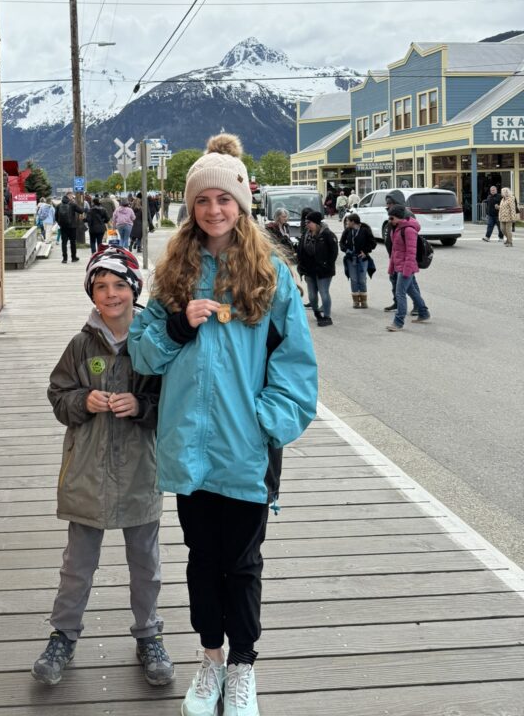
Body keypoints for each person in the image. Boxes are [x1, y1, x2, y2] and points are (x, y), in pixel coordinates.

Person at [128, 134, 318, 716]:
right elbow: (142, 355)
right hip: (189, 450)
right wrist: (178, 326)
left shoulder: (271, 276)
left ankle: (242, 667)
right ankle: (210, 661)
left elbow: (296, 367)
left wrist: (266, 423)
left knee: (242, 562)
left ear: (243, 205)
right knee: (201, 558)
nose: (214, 209)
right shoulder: (173, 276)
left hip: (244, 451)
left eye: (225, 199)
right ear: (191, 207)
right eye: (203, 199)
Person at [31, 248, 175, 689]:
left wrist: (141, 405)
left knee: (144, 562)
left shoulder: (152, 343)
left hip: (139, 470)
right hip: (86, 472)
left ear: (135, 288)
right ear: (91, 293)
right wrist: (82, 401)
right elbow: (58, 395)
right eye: (100, 286)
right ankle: (63, 634)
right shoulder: (80, 345)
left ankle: (149, 633)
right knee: (78, 562)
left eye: (118, 285)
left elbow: (173, 403)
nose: (110, 294)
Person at [386, 205, 430, 331]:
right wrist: (391, 267)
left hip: (407, 267)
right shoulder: (395, 229)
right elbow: (395, 251)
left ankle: (398, 322)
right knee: (412, 292)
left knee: (400, 293)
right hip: (399, 266)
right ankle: (424, 313)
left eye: (391, 218)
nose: (389, 220)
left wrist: (406, 270)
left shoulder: (409, 230)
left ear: (399, 217)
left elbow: (411, 252)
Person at [297, 210, 338, 326]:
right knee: (311, 295)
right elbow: (300, 250)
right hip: (309, 270)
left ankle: (327, 316)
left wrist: (326, 265)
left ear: (316, 223)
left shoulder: (327, 234)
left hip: (323, 270)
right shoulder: (306, 234)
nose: (307, 224)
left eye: (309, 222)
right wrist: (301, 265)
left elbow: (334, 253)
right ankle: (317, 312)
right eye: (306, 222)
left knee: (324, 292)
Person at [340, 213, 376, 308]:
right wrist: (346, 250)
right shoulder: (347, 231)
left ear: (353, 222)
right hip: (350, 259)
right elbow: (341, 243)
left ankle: (364, 301)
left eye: (348, 221)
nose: (346, 222)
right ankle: (355, 301)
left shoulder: (365, 230)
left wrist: (365, 252)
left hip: (362, 259)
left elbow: (373, 243)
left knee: (362, 279)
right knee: (354, 279)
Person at [55, 193, 84, 264]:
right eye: (72, 196)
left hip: (63, 227)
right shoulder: (72, 204)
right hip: (72, 227)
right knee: (72, 242)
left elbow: (56, 216)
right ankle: (73, 257)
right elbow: (81, 211)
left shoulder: (58, 205)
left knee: (64, 242)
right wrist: (74, 202)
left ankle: (64, 259)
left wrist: (60, 224)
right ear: (69, 197)